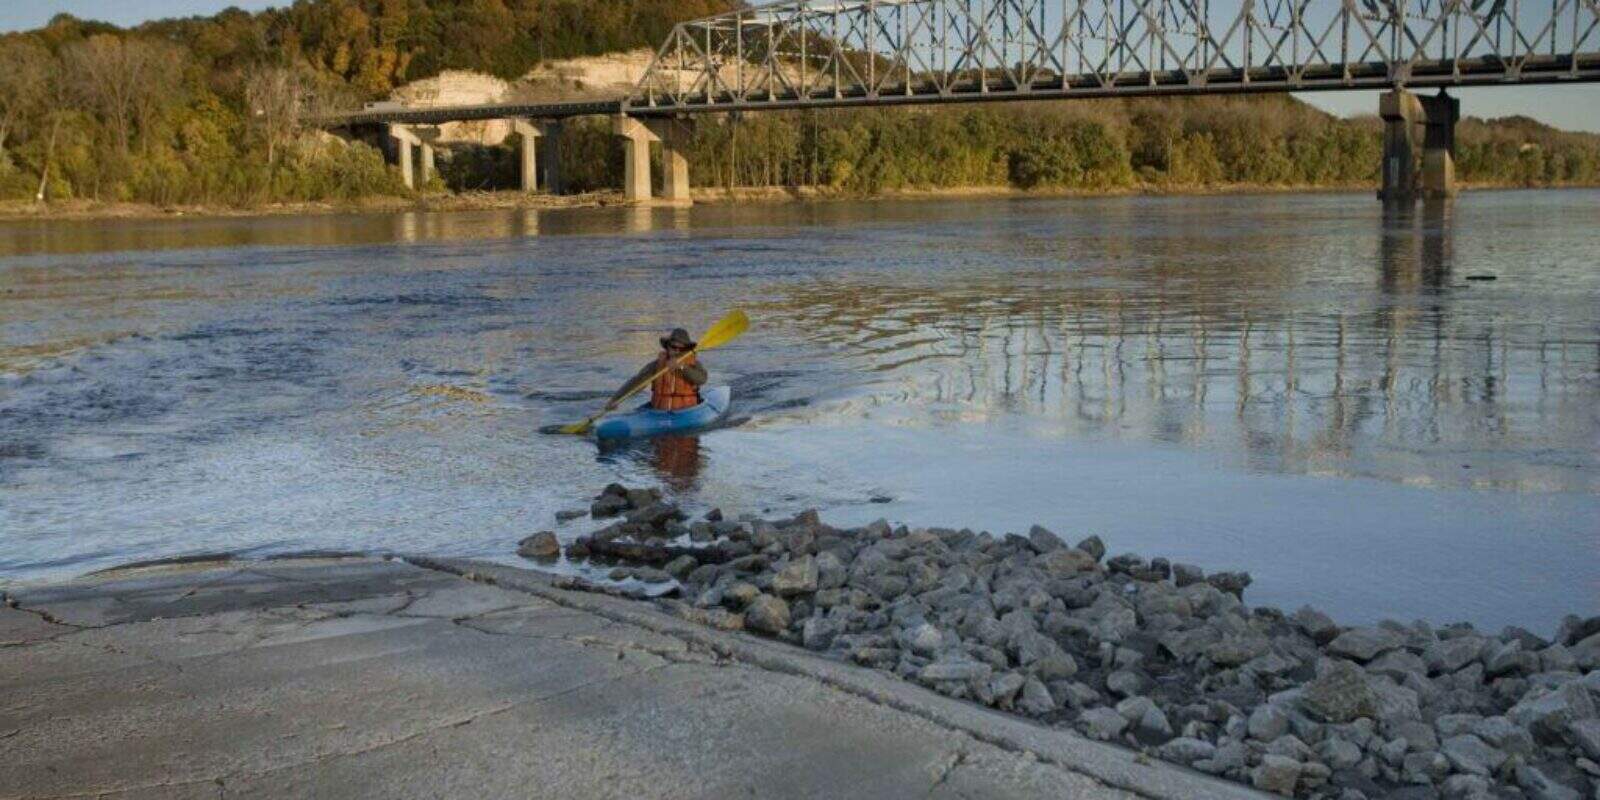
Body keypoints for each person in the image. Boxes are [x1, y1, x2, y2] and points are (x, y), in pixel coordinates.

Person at [610, 327, 707, 411]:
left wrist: (682, 367)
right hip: (659, 412)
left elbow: (702, 379)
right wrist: (616, 399)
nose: (677, 351)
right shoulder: (656, 365)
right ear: (667, 347)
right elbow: (636, 382)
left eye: (682, 349)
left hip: (686, 411)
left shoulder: (694, 364)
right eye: (674, 347)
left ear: (687, 349)